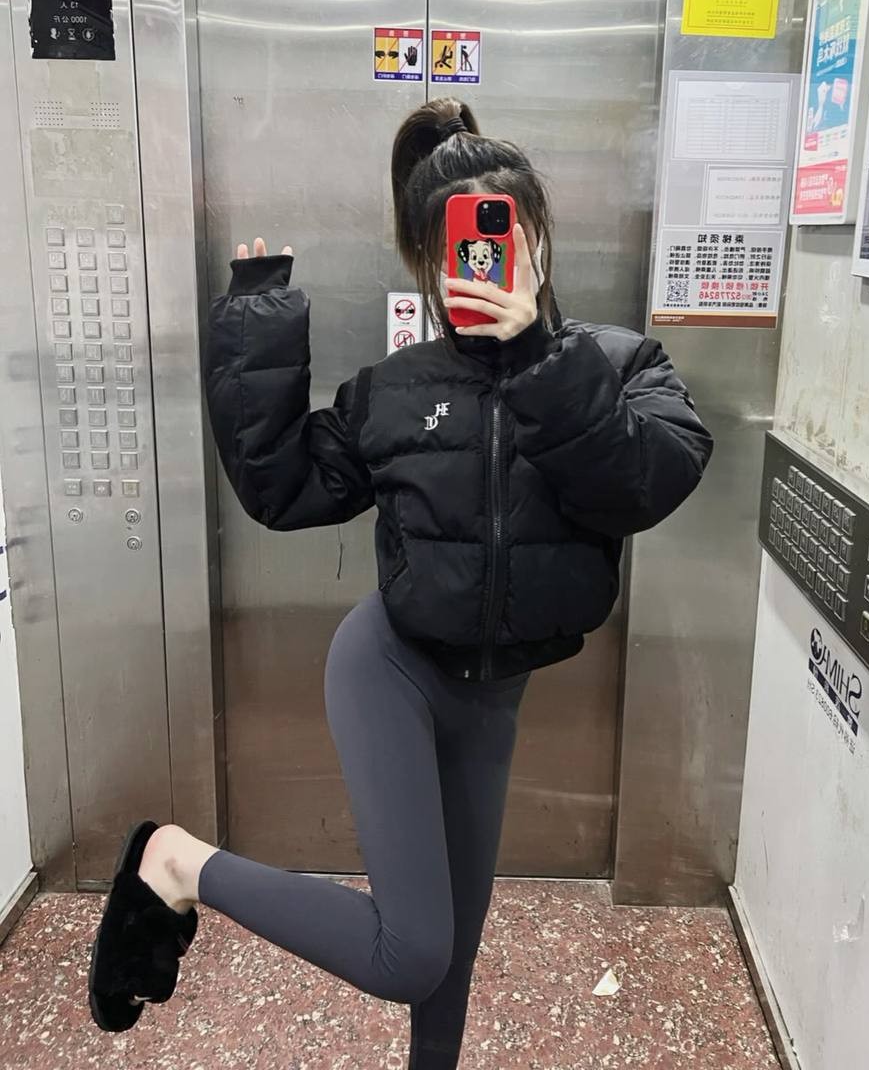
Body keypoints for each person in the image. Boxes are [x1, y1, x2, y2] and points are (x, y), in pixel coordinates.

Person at [87, 98, 714, 1068]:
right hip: (391, 667)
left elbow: (641, 484)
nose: (485, 260)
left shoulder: (619, 365)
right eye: (460, 244)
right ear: (430, 259)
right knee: (412, 951)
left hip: (494, 692)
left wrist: (540, 359)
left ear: (540, 240)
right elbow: (284, 489)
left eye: (506, 233)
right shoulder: (396, 389)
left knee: (448, 957)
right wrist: (256, 329)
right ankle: (174, 859)